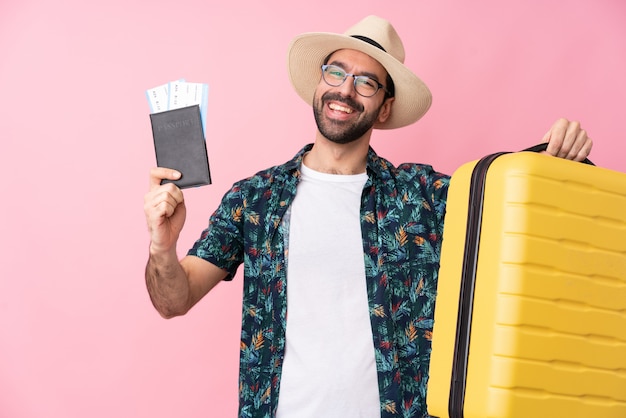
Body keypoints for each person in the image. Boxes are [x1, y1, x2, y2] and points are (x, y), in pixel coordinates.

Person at [143, 15, 592, 418]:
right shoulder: (255, 198)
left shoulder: (425, 197)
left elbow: (509, 203)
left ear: (386, 105)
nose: (344, 89)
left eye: (366, 82)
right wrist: (162, 246)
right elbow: (173, 300)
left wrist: (555, 158)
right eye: (335, 72)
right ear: (319, 84)